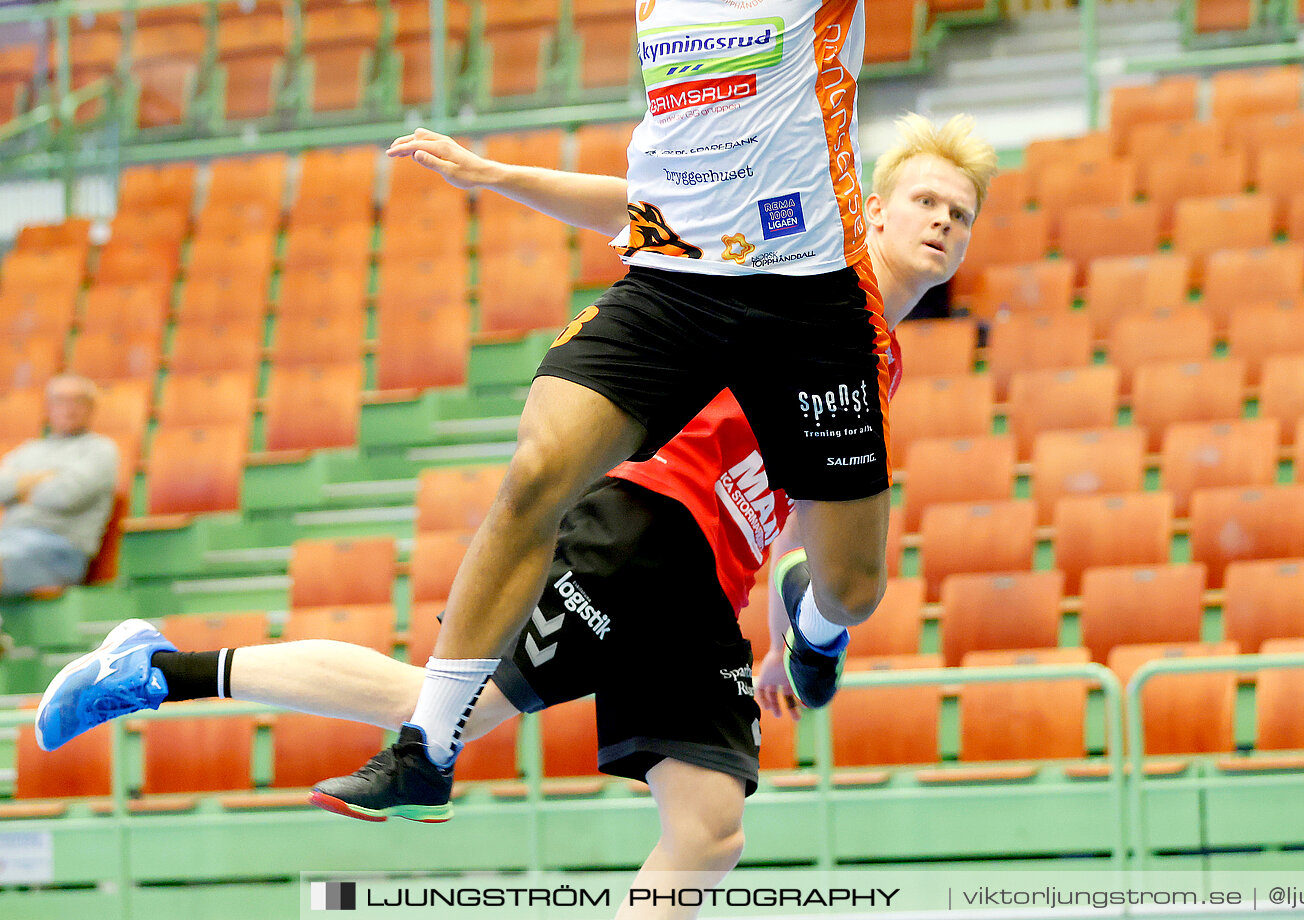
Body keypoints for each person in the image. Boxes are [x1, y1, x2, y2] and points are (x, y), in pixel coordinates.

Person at [279, 0, 1285, 811]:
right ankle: (425, 746)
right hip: (671, 281)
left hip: (806, 303)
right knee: (534, 469)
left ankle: (811, 625)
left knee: (853, 582)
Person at [35, 114, 995, 915]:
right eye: (925, 200)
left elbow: (802, 507)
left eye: (961, 213)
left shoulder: (883, 358)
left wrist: (789, 637)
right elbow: (649, 209)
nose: (943, 222)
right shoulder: (804, 262)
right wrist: (496, 174)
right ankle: (157, 670)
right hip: (643, 526)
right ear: (870, 206)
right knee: (441, 710)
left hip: (711, 586)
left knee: (708, 831)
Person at [0, 374, 118, 597]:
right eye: (60, 401)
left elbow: (66, 495)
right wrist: (44, 479)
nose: (69, 409)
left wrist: (19, 487)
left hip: (59, 551)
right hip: (8, 541)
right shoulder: (28, 450)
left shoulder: (100, 450)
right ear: (48, 408)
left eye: (78, 401)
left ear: (92, 407)